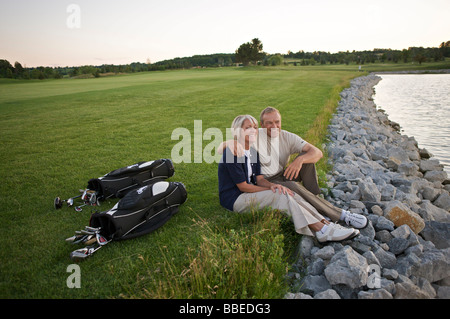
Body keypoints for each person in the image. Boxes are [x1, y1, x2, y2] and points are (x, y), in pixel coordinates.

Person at [219, 107, 368, 230]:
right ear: (263, 125)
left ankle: (315, 201)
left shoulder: (287, 137)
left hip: (282, 174)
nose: (274, 126)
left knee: (307, 161)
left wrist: (300, 160)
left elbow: (317, 152)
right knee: (290, 186)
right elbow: (224, 147)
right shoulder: (255, 135)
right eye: (269, 123)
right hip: (265, 180)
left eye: (277, 122)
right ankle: (340, 215)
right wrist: (230, 144)